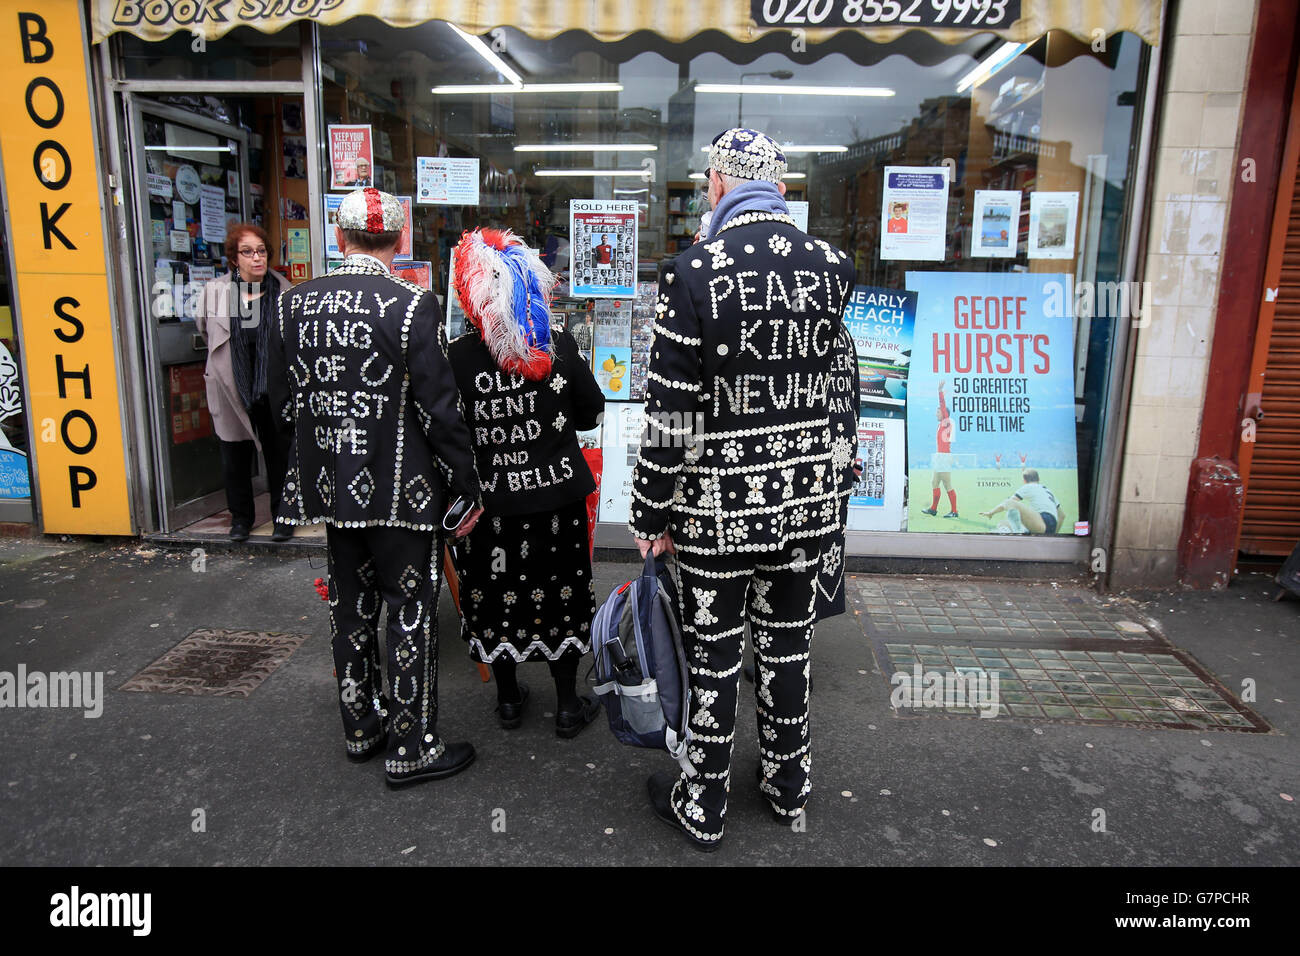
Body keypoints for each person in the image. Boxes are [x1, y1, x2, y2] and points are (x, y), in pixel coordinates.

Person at [630, 128, 855, 850]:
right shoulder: (833, 267)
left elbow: (672, 411)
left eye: (706, 185)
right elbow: (841, 390)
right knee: (789, 654)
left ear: (719, 185)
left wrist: (649, 511)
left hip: (716, 517)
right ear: (779, 190)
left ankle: (705, 803)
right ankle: (790, 788)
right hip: (802, 506)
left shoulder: (693, 271)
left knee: (713, 659)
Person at [267, 188, 483, 787]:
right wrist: (466, 484)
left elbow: (282, 407)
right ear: (397, 242)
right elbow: (442, 412)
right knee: (409, 610)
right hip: (403, 491)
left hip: (336, 488)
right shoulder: (414, 306)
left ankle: (362, 728)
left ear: (340, 240)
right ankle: (413, 748)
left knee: (351, 608)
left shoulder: (293, 306)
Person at [446, 228, 606, 738]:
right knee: (559, 594)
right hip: (555, 501)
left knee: (497, 594)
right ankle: (565, 707)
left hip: (491, 506)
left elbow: (447, 428)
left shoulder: (457, 356)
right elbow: (591, 412)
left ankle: (510, 701)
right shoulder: (556, 344)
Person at [195, 223, 292, 542]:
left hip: (272, 385)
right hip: (231, 384)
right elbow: (206, 330)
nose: (256, 258)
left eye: (261, 251)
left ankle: (283, 518)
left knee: (280, 456)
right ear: (234, 259)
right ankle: (241, 520)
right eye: (248, 252)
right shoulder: (215, 292)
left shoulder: (284, 290)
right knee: (234, 457)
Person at [980, 469, 1065, 535]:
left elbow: (1008, 503)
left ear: (1024, 481)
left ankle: (1017, 533)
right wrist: (1053, 534)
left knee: (1009, 502)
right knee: (1003, 524)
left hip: (1042, 520)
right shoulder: (1048, 491)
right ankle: (1009, 531)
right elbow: (1062, 516)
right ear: (1039, 479)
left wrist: (991, 512)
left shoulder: (1029, 486)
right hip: (1048, 524)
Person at [920, 380, 958, 518]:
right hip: (941, 456)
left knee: (947, 484)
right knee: (935, 482)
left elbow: (942, 404)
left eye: (938, 412)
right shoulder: (941, 424)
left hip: (944, 457)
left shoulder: (946, 422)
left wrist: (940, 391)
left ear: (943, 413)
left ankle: (954, 511)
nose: (936, 414)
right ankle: (934, 509)